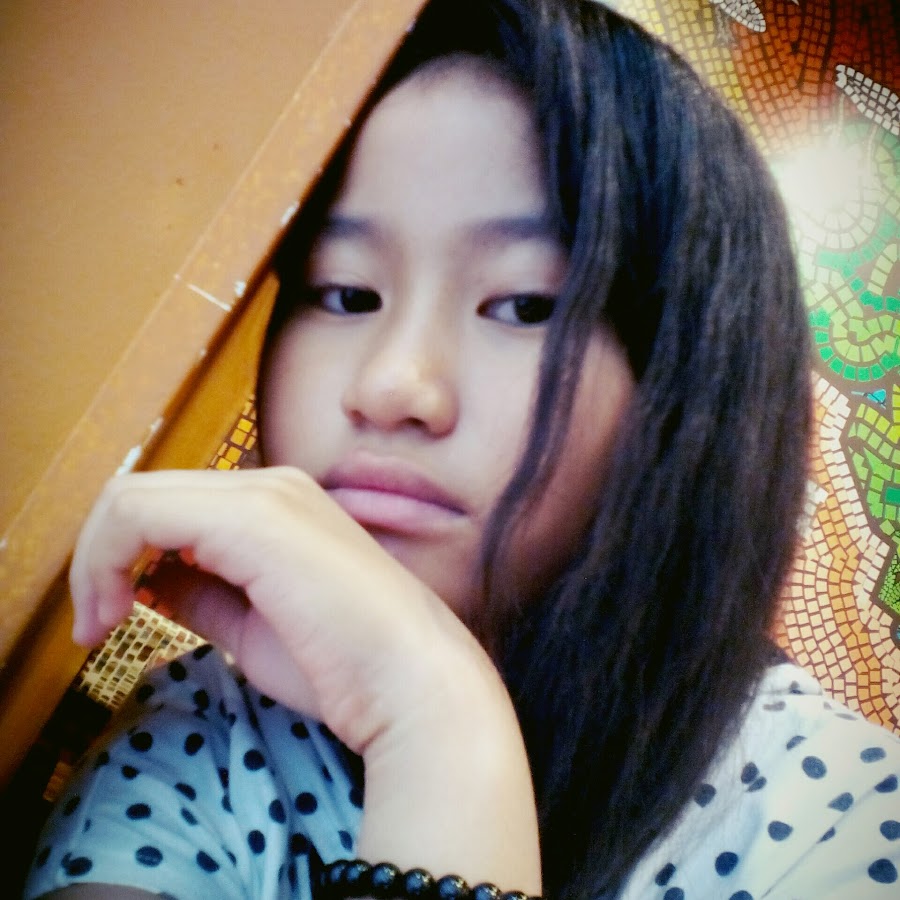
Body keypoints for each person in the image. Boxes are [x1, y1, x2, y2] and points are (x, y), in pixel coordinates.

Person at [24, 1, 900, 898]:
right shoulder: (207, 728)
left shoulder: (852, 816)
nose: (391, 385)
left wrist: (437, 732)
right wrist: (429, 719)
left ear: (685, 392)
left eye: (525, 305)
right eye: (344, 292)